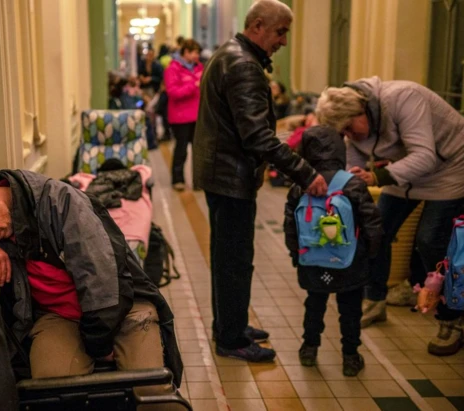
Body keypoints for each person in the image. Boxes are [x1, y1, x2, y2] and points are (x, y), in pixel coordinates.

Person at [0, 170, 184, 407]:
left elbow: (104, 288)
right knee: (51, 394)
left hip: (123, 307)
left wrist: (98, 344)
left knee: (152, 393)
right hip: (56, 315)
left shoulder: (60, 202)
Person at [193, 0, 327, 362]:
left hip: (219, 173)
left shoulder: (229, 53)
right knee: (235, 259)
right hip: (230, 177)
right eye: (280, 31)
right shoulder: (243, 65)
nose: (283, 41)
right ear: (257, 26)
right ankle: (232, 339)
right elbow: (257, 137)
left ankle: (229, 325)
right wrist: (306, 172)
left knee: (226, 257)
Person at [316, 76, 464, 356]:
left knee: (431, 241)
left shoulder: (404, 98)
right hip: (407, 172)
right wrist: (342, 186)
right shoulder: (358, 120)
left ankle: (452, 318)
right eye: (342, 132)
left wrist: (376, 176)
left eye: (349, 127)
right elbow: (354, 160)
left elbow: (425, 156)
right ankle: (375, 300)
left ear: (362, 110)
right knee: (375, 229)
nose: (349, 135)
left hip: (451, 169)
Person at [284, 126, 383, 376]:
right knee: (350, 309)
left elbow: (290, 224)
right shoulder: (352, 183)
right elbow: (372, 222)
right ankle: (350, 357)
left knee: (314, 304)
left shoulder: (301, 184)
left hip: (313, 259)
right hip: (349, 261)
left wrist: (296, 254)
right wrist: (370, 254)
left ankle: (309, 348)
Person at [164, 39, 203, 191]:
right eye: (194, 52)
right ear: (186, 52)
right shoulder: (173, 69)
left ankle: (198, 181)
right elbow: (173, 92)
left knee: (199, 150)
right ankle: (177, 179)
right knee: (181, 149)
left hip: (198, 116)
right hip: (180, 117)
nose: (197, 56)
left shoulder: (200, 68)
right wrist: (193, 86)